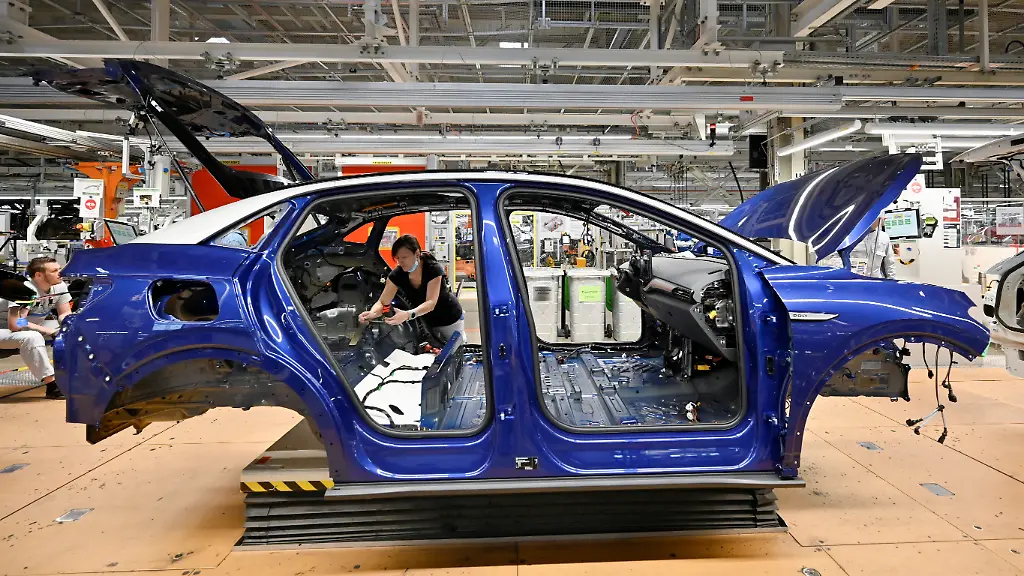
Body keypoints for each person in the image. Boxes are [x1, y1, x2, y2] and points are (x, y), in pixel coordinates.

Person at [359, 235, 465, 347]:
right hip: (425, 321)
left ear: (417, 254)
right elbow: (383, 302)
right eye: (397, 258)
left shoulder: (433, 269)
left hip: (449, 318)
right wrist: (372, 313)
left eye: (404, 257)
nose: (400, 262)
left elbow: (430, 303)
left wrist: (407, 315)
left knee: (454, 350)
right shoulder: (397, 275)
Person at [0, 257, 72, 399]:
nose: (60, 273)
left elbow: (64, 313)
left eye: (59, 269)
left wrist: (68, 326)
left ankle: (75, 376)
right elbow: (16, 324)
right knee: (32, 337)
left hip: (28, 326)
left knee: (74, 330)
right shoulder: (23, 289)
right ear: (39, 275)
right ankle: (52, 386)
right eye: (54, 271)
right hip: (6, 329)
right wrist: (50, 331)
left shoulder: (60, 286)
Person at [822, 217, 895, 279]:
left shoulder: (884, 237)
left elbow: (890, 265)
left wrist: (892, 284)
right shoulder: (847, 236)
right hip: (853, 283)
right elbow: (833, 261)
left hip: (876, 284)